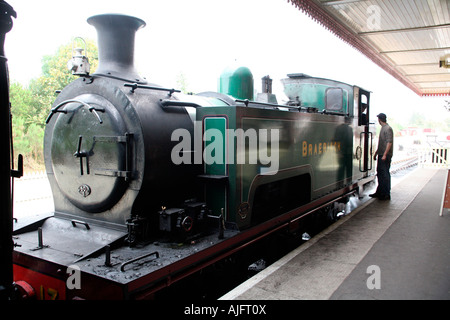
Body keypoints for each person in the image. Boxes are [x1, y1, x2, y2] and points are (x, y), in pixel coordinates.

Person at [370, 113, 394, 200]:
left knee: (385, 174)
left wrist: (384, 154)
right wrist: (377, 152)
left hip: (385, 156)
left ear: (379, 119)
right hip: (381, 154)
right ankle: (380, 192)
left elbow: (389, 142)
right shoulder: (383, 128)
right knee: (380, 173)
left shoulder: (388, 129)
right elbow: (382, 143)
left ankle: (386, 193)